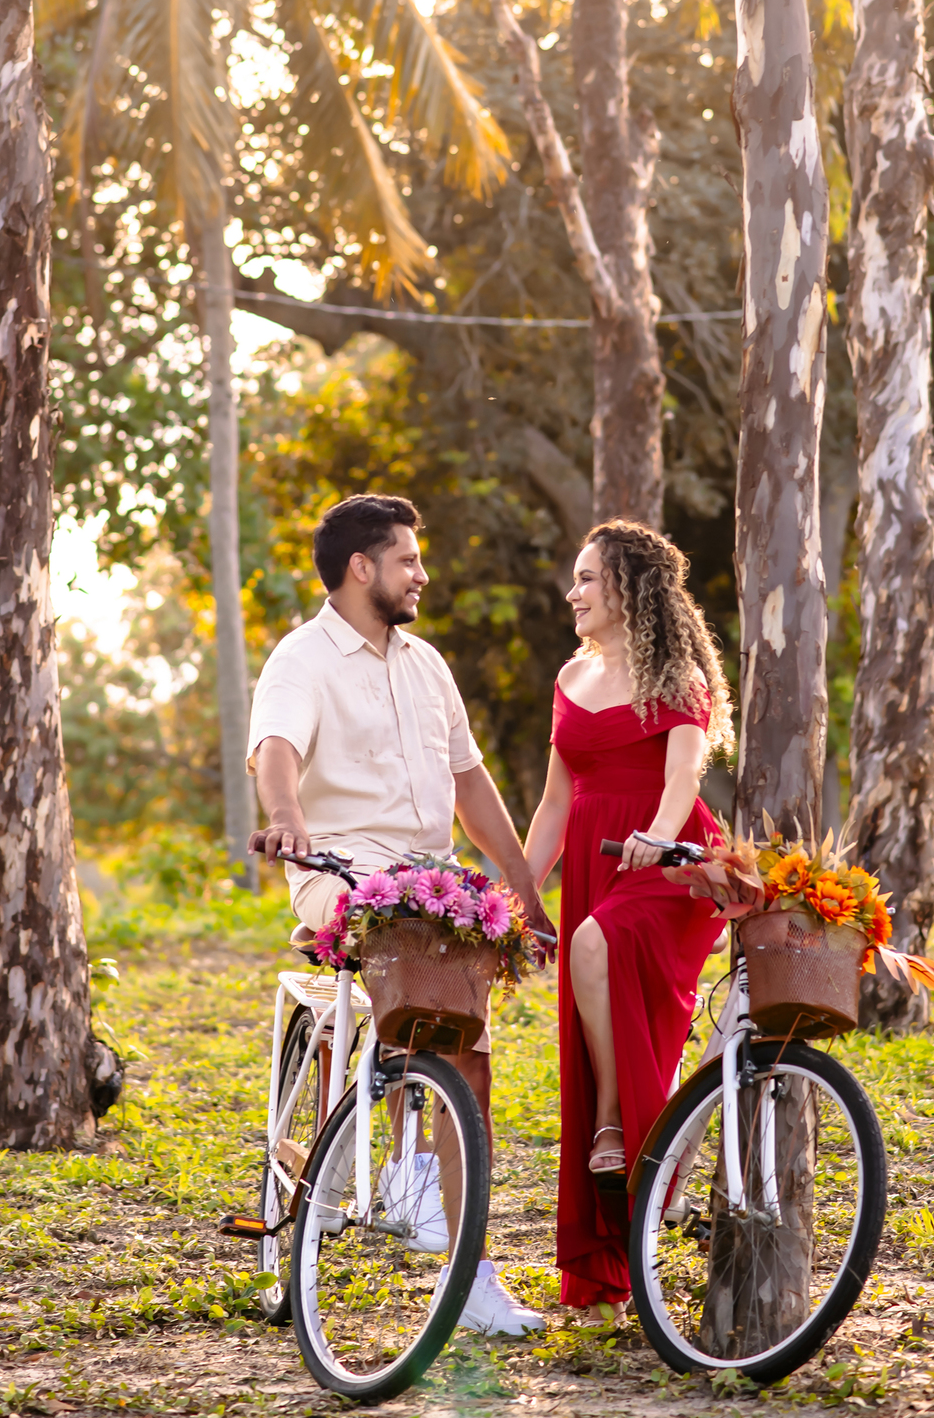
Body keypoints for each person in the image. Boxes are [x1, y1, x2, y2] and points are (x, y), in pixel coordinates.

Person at [246, 492, 553, 1337]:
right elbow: (276, 750)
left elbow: (471, 786)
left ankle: (471, 1274)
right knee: (422, 970)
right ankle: (409, 1166)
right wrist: (288, 821)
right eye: (408, 559)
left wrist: (524, 888)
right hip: (338, 866)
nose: (421, 572)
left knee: (473, 1060)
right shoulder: (302, 658)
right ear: (361, 568)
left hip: (431, 876)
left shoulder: (426, 664)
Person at [523, 518, 733, 1321]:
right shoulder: (571, 677)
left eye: (585, 578)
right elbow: (552, 803)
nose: (572, 593)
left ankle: (617, 1124)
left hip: (665, 861)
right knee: (589, 968)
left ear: (627, 588)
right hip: (592, 855)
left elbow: (684, 774)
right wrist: (515, 892)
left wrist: (656, 834)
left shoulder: (674, 674)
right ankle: (614, 1259)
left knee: (594, 942)